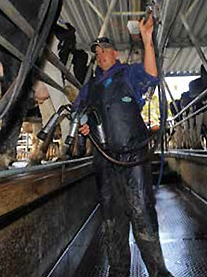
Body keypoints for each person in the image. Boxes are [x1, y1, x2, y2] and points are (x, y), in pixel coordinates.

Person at [72, 14, 172, 277]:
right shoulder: (89, 87)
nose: (101, 54)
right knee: (111, 220)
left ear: (115, 53)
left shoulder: (129, 73)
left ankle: (159, 272)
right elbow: (78, 115)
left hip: (133, 158)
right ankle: (118, 272)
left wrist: (147, 41)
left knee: (142, 214)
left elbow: (152, 75)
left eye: (105, 50)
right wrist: (84, 127)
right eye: (97, 52)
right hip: (104, 162)